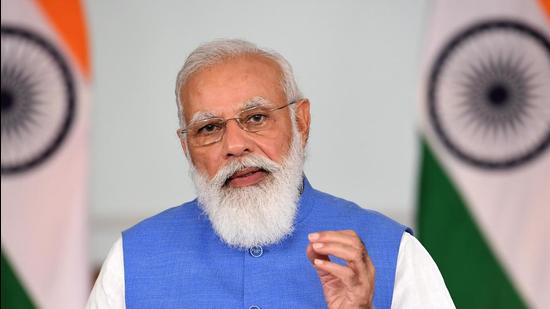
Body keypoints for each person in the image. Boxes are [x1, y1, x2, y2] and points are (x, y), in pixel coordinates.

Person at [87, 39, 454, 309]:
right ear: (187, 148)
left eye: (256, 118)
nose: (235, 145)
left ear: (301, 122)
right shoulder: (132, 260)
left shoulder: (392, 252)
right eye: (210, 128)